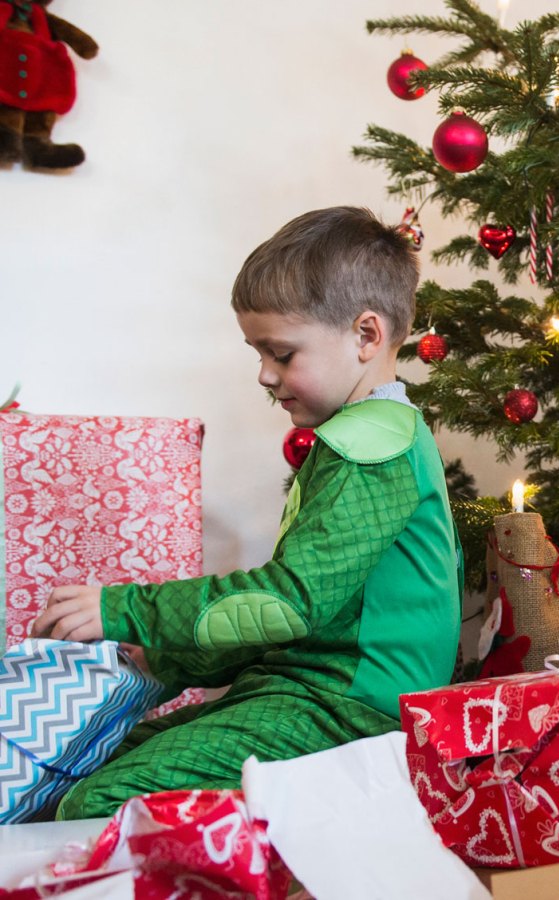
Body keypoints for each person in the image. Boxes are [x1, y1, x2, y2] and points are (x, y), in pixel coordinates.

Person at [34, 206, 463, 819]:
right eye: (258, 352)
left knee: (103, 801)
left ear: (366, 336)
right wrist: (168, 660)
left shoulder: (376, 448)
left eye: (282, 353)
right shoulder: (367, 437)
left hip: (351, 709)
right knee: (95, 760)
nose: (265, 374)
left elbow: (287, 602)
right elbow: (302, 616)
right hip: (306, 690)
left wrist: (121, 609)